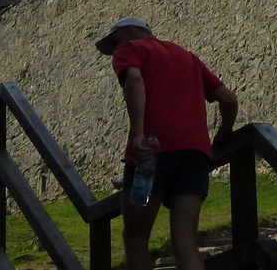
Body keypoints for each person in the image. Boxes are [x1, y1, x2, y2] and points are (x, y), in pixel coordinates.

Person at [95, 16, 238, 270]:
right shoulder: (187, 57)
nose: (115, 49)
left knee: (136, 239)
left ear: (129, 31)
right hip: (195, 156)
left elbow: (134, 80)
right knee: (185, 242)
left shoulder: (130, 49)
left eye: (115, 41)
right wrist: (223, 133)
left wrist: (138, 135)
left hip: (150, 156)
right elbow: (228, 99)